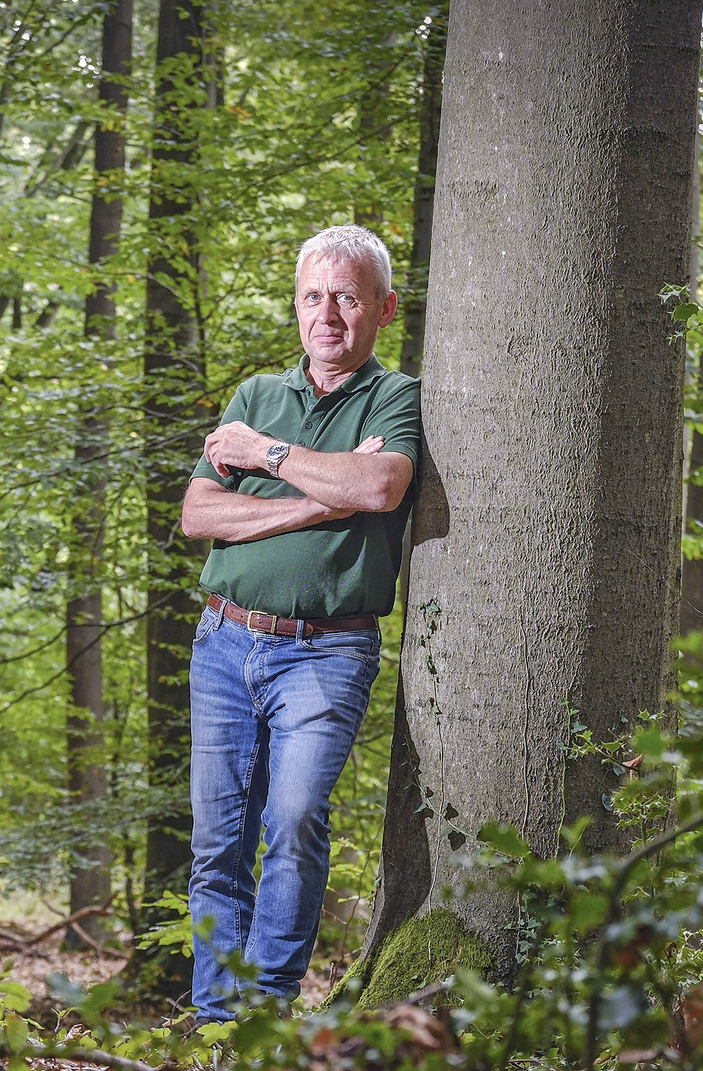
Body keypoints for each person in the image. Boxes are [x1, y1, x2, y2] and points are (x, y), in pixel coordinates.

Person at [179, 224, 421, 1022]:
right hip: (223, 640)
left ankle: (262, 1020)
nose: (328, 316)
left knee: (292, 822)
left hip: (326, 652)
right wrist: (322, 498)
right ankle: (214, 1026)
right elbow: (198, 513)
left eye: (347, 298)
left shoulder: (395, 397)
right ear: (296, 306)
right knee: (217, 846)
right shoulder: (254, 394)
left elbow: (383, 485)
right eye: (313, 297)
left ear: (383, 308)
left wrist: (268, 458)